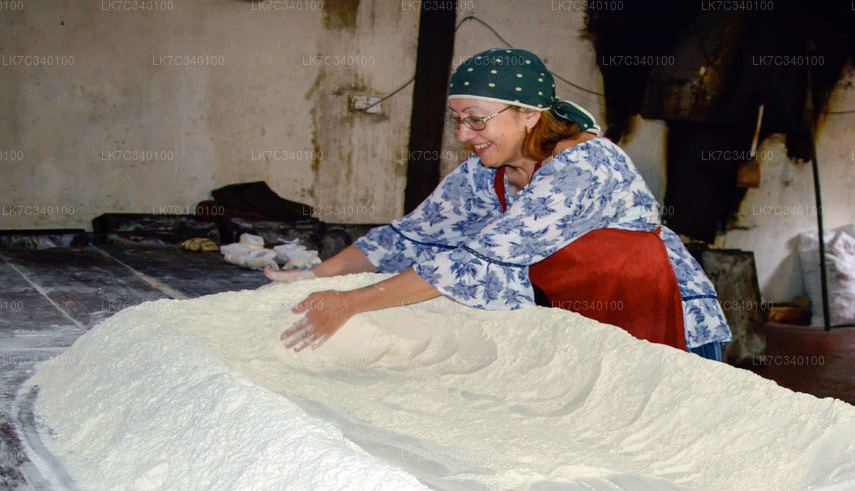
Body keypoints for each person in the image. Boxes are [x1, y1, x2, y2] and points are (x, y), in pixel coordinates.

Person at [267, 48, 731, 359]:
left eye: (476, 120)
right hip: (591, 322)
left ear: (529, 115)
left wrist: (350, 304)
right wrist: (315, 276)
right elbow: (410, 236)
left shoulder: (585, 168)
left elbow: (481, 262)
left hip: (668, 322)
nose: (465, 135)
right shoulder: (486, 170)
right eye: (458, 120)